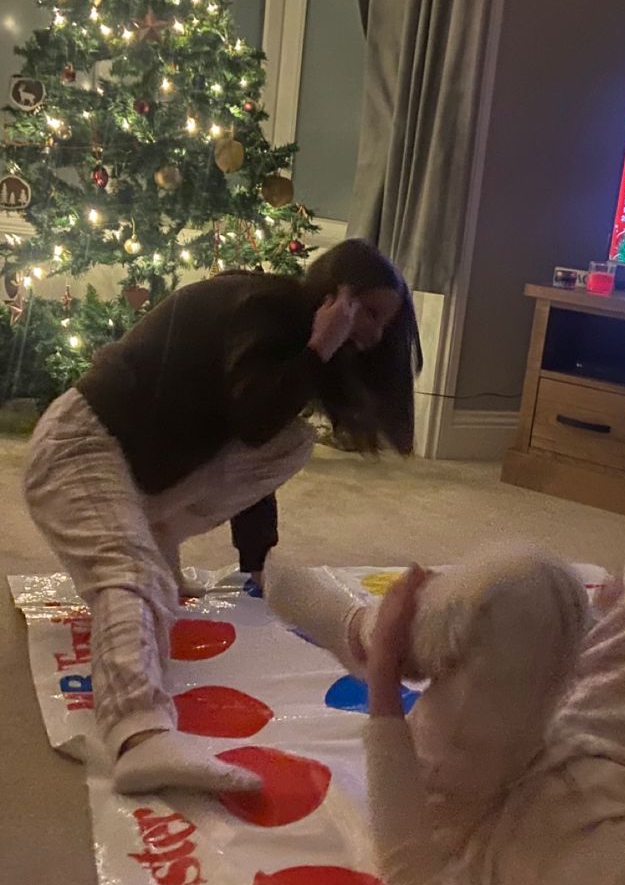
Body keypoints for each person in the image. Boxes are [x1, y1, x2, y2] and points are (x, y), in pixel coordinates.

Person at [265, 470, 625, 885]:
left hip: (480, 809)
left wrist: (382, 674)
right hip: (615, 763)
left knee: (530, 586)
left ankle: (362, 633)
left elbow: (418, 882)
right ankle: (596, 626)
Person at [24, 239, 422, 797]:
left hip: (143, 468)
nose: (376, 334)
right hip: (80, 446)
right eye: (372, 313)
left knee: (292, 441)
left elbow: (252, 437)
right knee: (136, 578)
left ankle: (158, 531)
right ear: (337, 296)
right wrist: (318, 349)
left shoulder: (285, 329)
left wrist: (260, 565)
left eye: (386, 322)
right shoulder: (263, 308)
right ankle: (139, 739)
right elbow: (255, 417)